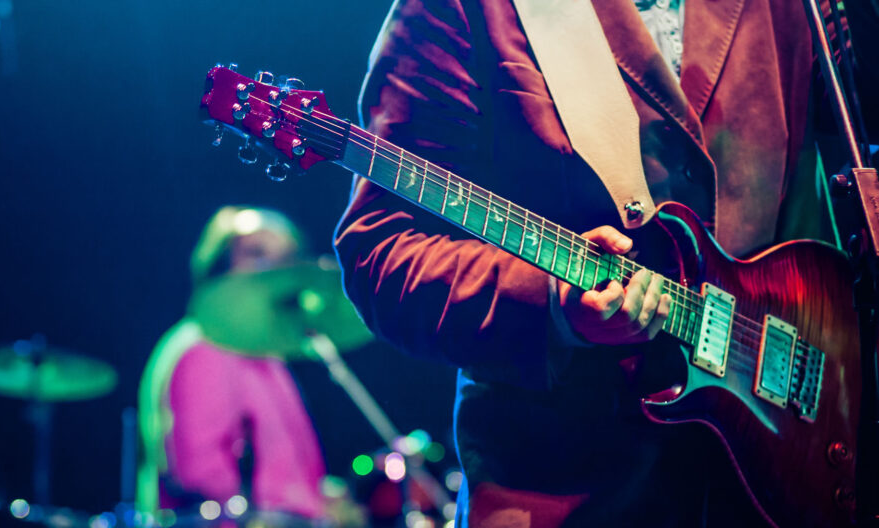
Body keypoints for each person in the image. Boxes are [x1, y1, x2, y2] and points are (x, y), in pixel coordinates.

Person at [333, 0, 878, 526]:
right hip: (567, 483)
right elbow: (381, 249)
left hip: (783, 472)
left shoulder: (793, 6)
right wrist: (552, 302)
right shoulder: (466, 6)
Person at [138, 206, 326, 521]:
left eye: (286, 260)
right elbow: (200, 474)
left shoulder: (269, 359)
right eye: (257, 255)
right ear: (220, 266)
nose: (275, 273)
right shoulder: (206, 347)